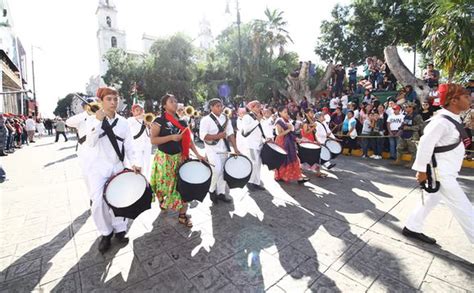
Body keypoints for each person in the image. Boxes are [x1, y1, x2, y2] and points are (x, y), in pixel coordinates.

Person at [403, 84, 473, 244]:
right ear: (454, 100)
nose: (470, 99)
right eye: (466, 96)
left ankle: (412, 227)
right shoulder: (441, 122)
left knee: (432, 199)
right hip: (442, 173)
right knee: (465, 209)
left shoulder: (453, 118)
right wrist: (421, 171)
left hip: (448, 170)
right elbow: (425, 144)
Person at [84, 87, 141, 253]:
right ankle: (106, 232)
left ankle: (120, 229)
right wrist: (97, 121)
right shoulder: (92, 119)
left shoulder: (123, 122)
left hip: (117, 166)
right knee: (97, 202)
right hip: (98, 167)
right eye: (109, 99)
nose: (113, 102)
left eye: (115, 99)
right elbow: (90, 143)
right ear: (101, 101)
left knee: (120, 198)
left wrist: (135, 162)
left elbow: (129, 145)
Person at [150, 94, 205, 226]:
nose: (175, 103)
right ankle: (163, 201)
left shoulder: (183, 122)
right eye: (171, 101)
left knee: (183, 186)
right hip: (165, 159)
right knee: (164, 186)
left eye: (176, 101)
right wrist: (171, 138)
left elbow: (189, 141)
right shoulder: (159, 120)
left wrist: (198, 154)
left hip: (180, 158)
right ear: (164, 105)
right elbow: (153, 140)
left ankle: (182, 215)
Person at [200, 98, 240, 202]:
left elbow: (230, 133)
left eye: (221, 106)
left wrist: (235, 148)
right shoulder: (206, 120)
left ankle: (221, 193)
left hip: (224, 148)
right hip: (212, 149)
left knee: (223, 171)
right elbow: (203, 136)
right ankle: (212, 190)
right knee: (217, 170)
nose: (220, 108)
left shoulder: (225, 118)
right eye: (217, 106)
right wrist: (218, 135)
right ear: (211, 107)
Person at [66, 98, 96, 197]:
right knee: (87, 174)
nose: (90, 106)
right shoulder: (81, 118)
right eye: (87, 105)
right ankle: (92, 196)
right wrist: (87, 113)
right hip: (85, 150)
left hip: (98, 149)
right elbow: (68, 122)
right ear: (83, 107)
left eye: (93, 104)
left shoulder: (100, 116)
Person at [274, 106, 309, 183]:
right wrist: (289, 129)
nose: (287, 114)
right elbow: (279, 134)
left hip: (289, 142)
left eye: (287, 112)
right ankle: (281, 176)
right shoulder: (279, 121)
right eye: (285, 112)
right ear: (280, 113)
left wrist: (297, 139)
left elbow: (291, 133)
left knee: (294, 158)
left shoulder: (286, 120)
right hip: (282, 142)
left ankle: (299, 177)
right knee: (284, 160)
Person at [241, 100, 267, 190]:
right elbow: (246, 130)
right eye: (257, 106)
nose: (260, 108)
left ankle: (256, 182)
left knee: (258, 164)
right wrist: (257, 121)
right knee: (253, 163)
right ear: (252, 108)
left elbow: (262, 130)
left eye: (260, 106)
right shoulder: (247, 117)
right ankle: (249, 182)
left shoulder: (259, 117)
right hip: (251, 145)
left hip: (259, 144)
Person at [393, 102, 424, 167]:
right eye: (405, 107)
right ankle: (399, 160)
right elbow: (404, 124)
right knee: (399, 148)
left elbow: (421, 126)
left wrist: (409, 128)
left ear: (412, 108)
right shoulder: (406, 116)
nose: (406, 108)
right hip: (404, 134)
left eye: (407, 107)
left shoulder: (417, 116)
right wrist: (401, 128)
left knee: (413, 150)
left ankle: (413, 162)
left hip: (413, 135)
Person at [127, 104, 152, 179]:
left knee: (147, 164)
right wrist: (141, 117)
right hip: (136, 146)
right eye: (137, 110)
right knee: (138, 164)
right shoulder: (130, 120)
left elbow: (150, 134)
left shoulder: (147, 120)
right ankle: (138, 180)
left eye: (141, 110)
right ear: (133, 112)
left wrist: (149, 125)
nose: (140, 112)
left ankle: (146, 180)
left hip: (147, 145)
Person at [301, 109, 327, 177]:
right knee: (306, 158)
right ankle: (301, 170)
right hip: (306, 141)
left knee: (316, 157)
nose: (312, 114)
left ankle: (318, 172)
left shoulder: (312, 121)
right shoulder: (305, 122)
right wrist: (313, 127)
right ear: (307, 114)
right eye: (310, 112)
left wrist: (317, 140)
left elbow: (314, 132)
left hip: (312, 141)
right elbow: (305, 132)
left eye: (313, 112)